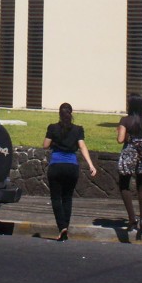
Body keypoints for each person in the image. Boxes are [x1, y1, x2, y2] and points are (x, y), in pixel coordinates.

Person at [43, 102, 97, 241]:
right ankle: (65, 227)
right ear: (71, 114)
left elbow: (45, 145)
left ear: (59, 114)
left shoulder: (53, 127)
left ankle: (62, 227)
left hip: (56, 165)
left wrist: (53, 140)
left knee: (56, 198)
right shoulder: (78, 129)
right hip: (71, 166)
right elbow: (82, 146)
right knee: (67, 198)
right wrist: (91, 165)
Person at [116, 93, 142, 237]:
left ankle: (132, 218)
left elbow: (120, 140)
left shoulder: (125, 120)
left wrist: (121, 133)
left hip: (129, 152)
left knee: (124, 185)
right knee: (141, 187)